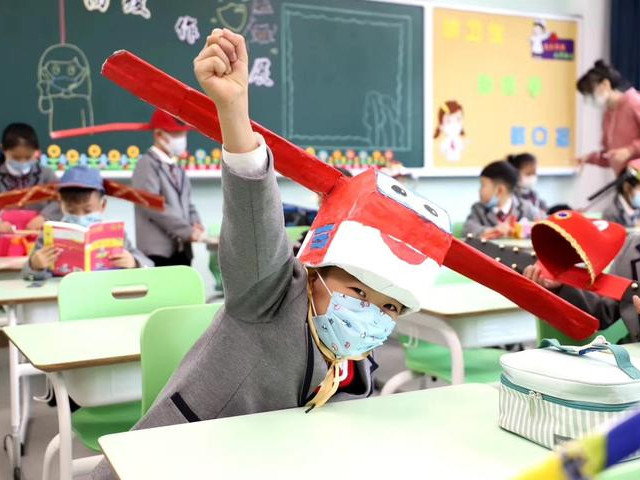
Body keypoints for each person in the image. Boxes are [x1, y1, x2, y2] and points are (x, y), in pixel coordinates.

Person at [91, 28, 436, 479]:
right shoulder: (269, 295)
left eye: (388, 307)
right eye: (356, 291)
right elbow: (256, 219)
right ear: (316, 272)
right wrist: (233, 111)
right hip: (181, 461)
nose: (368, 314)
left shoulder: (356, 355)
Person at [23, 166, 152, 279]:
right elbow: (26, 274)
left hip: (104, 295)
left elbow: (149, 264)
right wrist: (35, 265)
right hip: (63, 298)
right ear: (60, 205)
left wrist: (134, 262)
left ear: (103, 205)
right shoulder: (49, 236)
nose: (80, 216)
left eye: (88, 210)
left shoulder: (115, 235)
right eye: (71, 210)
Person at [132, 110, 203, 266]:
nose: (182, 140)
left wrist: (196, 223)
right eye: (177, 135)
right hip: (158, 253)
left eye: (183, 134)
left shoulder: (177, 168)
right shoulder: (146, 164)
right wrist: (187, 231)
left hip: (182, 250)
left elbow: (188, 203)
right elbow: (152, 205)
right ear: (159, 135)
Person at [576, 60, 640, 175]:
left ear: (606, 84)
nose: (589, 99)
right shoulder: (607, 115)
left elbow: (625, 153)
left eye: (590, 93)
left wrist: (630, 151)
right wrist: (589, 158)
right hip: (626, 182)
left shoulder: (634, 102)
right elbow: (610, 156)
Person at [0, 123, 60, 232]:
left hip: (39, 234)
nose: (22, 162)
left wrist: (45, 217)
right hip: (5, 236)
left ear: (36, 152)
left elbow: (61, 200)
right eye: (16, 158)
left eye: (28, 157)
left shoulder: (46, 174)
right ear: (3, 149)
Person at [463, 160, 542, 239]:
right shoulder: (478, 209)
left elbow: (543, 225)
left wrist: (524, 229)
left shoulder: (526, 208)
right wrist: (492, 230)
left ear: (500, 190)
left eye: (483, 185)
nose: (479, 190)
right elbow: (468, 228)